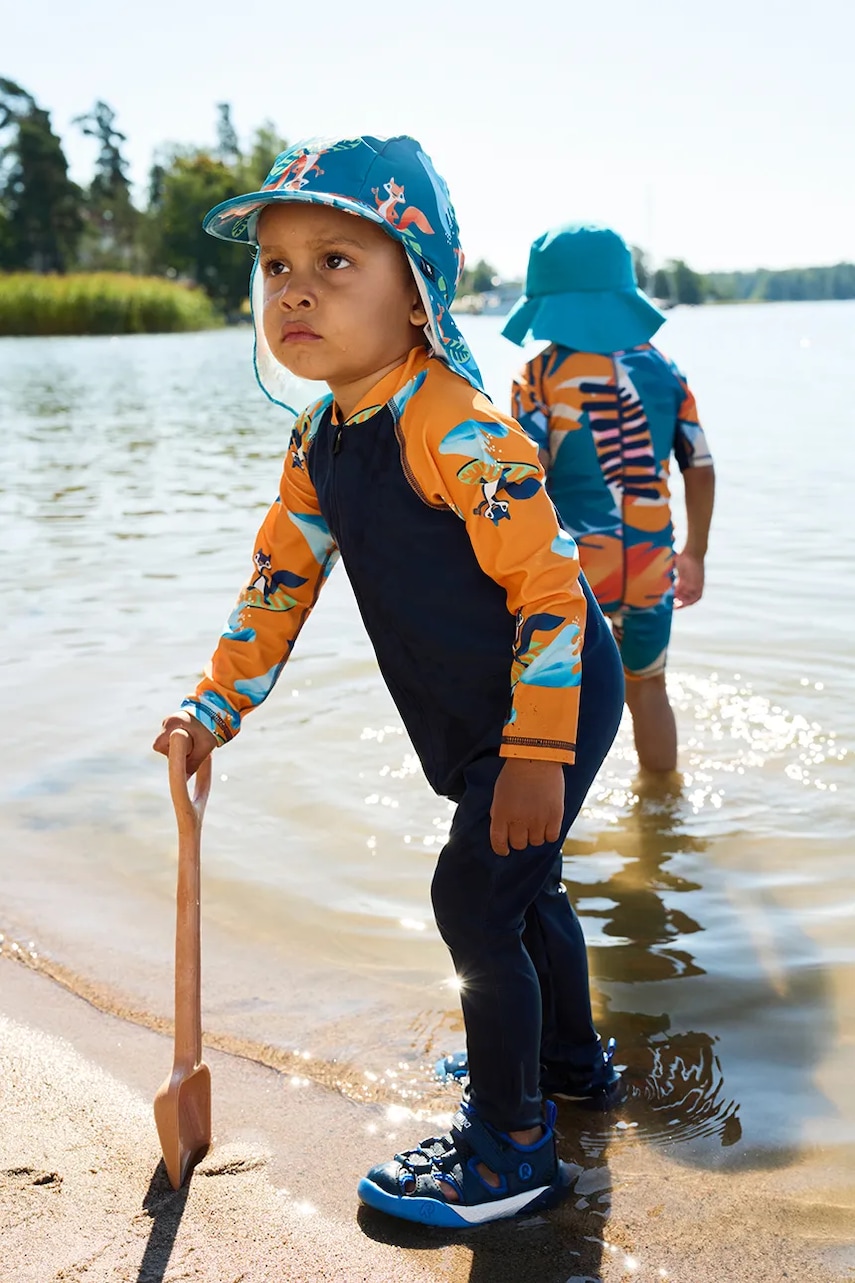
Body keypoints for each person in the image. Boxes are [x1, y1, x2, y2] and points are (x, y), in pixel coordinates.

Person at [152, 137, 624, 1229]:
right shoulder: (319, 441)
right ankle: (564, 1067)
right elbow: (278, 585)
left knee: (474, 896)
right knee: (524, 888)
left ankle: (509, 1147)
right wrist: (212, 707)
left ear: (417, 294)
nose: (296, 290)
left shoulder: (456, 425)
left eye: (335, 261)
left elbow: (551, 589)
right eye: (276, 266)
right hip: (472, 709)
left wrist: (538, 751)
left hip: (550, 689)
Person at [505, 224, 715, 774]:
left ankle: (560, 823)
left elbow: (528, 473)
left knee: (559, 704)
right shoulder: (664, 370)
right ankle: (661, 807)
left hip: (574, 570)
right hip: (651, 563)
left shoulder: (539, 376)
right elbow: (700, 465)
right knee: (650, 688)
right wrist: (695, 553)